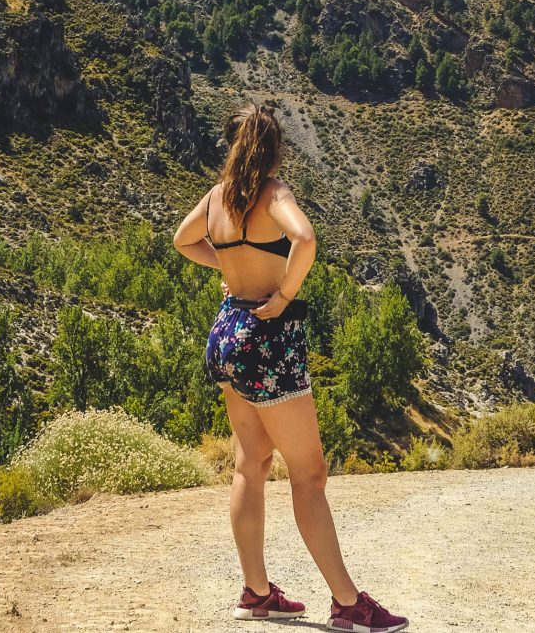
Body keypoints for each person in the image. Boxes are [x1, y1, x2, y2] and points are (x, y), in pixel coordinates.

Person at [173, 103, 408, 632]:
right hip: (269, 338)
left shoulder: (218, 197)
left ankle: (257, 593)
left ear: (231, 144)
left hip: (228, 331)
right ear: (274, 148)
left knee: (249, 463)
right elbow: (305, 239)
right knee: (309, 474)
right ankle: (348, 604)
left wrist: (228, 265)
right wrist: (283, 294)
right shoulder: (273, 193)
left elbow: (183, 240)